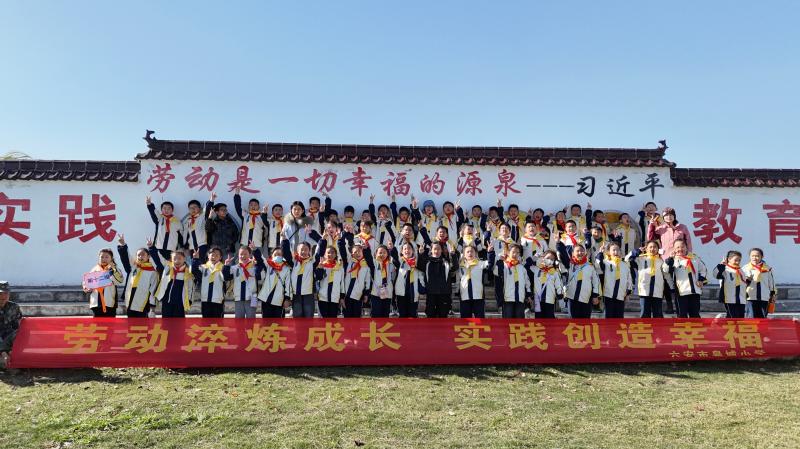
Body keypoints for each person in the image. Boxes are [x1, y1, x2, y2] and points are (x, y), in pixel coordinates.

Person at [117, 234, 160, 318]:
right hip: (130, 298)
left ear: (148, 256)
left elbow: (153, 290)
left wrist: (152, 308)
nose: (140, 256)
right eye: (138, 255)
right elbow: (126, 257)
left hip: (143, 301)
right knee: (130, 322)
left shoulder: (152, 271)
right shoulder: (134, 266)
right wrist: (123, 244)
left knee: (142, 323)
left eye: (143, 254)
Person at [665, 239, 708, 318]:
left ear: (686, 247)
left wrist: (701, 279)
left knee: (695, 314)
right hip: (681, 292)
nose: (680, 249)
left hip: (694, 291)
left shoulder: (694, 257)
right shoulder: (672, 260)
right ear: (674, 249)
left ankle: (695, 326)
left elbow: (703, 269)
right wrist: (670, 259)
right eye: (677, 247)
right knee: (682, 316)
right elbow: (666, 271)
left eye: (682, 246)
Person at [626, 240, 668, 318]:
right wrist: (637, 251)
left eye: (655, 247)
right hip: (644, 291)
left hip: (657, 291)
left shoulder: (661, 260)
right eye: (650, 247)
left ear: (658, 249)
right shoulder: (640, 259)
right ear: (646, 248)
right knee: (645, 315)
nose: (652, 249)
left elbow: (666, 272)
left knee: (658, 315)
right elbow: (627, 259)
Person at [150, 246, 194, 318]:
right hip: (167, 302)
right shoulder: (167, 267)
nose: (177, 261)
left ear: (184, 259)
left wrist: (189, 300)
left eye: (179, 258)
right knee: (166, 322)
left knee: (178, 322)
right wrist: (151, 248)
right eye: (174, 259)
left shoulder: (188, 273)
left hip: (180, 303)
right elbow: (158, 258)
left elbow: (190, 288)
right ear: (171, 260)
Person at [594, 242, 633, 319]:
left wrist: (628, 291)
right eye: (613, 250)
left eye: (618, 250)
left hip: (621, 294)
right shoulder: (606, 262)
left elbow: (629, 279)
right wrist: (600, 253)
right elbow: (598, 266)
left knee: (619, 317)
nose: (616, 252)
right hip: (608, 294)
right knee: (609, 317)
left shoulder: (625, 264)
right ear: (608, 252)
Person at [493, 244, 532, 318]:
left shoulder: (522, 267)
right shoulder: (503, 265)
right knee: (508, 321)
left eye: (517, 252)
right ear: (508, 252)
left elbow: (527, 282)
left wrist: (528, 295)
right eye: (513, 252)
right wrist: (500, 261)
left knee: (519, 321)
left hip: (520, 298)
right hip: (507, 299)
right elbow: (497, 273)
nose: (515, 254)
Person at [83, 248, 124, 317]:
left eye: (106, 257)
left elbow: (120, 281)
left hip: (109, 303)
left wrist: (112, 271)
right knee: (97, 323)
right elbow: (86, 282)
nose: (104, 259)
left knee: (110, 323)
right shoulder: (95, 269)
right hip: (96, 303)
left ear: (111, 258)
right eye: (102, 257)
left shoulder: (114, 269)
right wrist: (87, 288)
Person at [225, 243, 262, 319]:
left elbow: (260, 262)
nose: (243, 256)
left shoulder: (254, 267)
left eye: (245, 254)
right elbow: (226, 277)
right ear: (238, 255)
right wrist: (226, 266)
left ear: (250, 255)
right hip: (238, 298)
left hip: (253, 297)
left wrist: (255, 250)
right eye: (241, 254)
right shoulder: (234, 268)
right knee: (239, 319)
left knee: (251, 318)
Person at [457, 245, 494, 318]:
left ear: (476, 253)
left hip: (478, 296)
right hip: (464, 296)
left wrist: (490, 253)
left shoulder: (480, 263)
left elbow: (490, 264)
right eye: (467, 252)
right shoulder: (460, 265)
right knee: (465, 320)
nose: (470, 253)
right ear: (464, 254)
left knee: (480, 319)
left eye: (472, 251)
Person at [563, 245, 601, 319]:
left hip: (586, 299)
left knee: (585, 322)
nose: (580, 253)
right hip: (572, 298)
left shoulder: (590, 266)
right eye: (577, 251)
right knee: (573, 322)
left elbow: (596, 282)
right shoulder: (569, 265)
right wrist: (559, 243)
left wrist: (595, 296)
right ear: (573, 253)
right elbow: (562, 254)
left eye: (582, 251)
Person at [255, 246, 291, 318]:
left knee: (278, 323)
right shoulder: (268, 265)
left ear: (283, 256)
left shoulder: (286, 269)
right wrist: (255, 250)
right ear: (272, 256)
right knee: (266, 323)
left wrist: (287, 299)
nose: (277, 256)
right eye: (275, 254)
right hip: (266, 300)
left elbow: (288, 285)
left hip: (279, 301)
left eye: (279, 254)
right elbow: (260, 258)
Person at [392, 242, 426, 318]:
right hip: (401, 294)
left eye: (409, 248)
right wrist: (391, 248)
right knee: (402, 316)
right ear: (402, 251)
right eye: (405, 249)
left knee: (412, 316)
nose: (407, 250)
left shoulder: (416, 262)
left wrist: (421, 254)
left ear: (413, 251)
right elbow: (394, 256)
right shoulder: (400, 262)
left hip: (413, 293)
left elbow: (422, 270)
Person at [192, 247, 227, 318]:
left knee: (218, 322)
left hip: (218, 300)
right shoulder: (203, 267)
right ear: (208, 256)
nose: (214, 257)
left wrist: (226, 267)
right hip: (205, 299)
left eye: (217, 255)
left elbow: (226, 278)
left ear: (220, 257)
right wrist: (195, 259)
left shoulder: (223, 268)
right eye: (212, 255)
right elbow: (195, 271)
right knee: (206, 321)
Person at [742, 248, 777, 318]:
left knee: (762, 319)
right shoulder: (745, 268)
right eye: (752, 256)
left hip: (764, 297)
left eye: (757, 256)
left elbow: (772, 283)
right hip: (749, 297)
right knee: (750, 318)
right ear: (749, 256)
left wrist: (773, 295)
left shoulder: (768, 269)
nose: (754, 258)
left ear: (762, 256)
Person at [146, 196, 183, 261]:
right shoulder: (160, 218)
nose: (166, 210)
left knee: (172, 264)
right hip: (159, 247)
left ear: (172, 210)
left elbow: (181, 235)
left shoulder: (177, 221)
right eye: (164, 208)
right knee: (160, 263)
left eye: (169, 208)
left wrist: (183, 246)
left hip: (171, 248)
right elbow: (154, 213)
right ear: (161, 210)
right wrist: (150, 205)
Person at [713, 250, 747, 319]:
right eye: (735, 260)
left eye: (739, 260)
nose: (737, 262)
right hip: (730, 298)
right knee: (732, 316)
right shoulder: (725, 269)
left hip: (741, 299)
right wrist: (721, 265)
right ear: (729, 259)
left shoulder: (740, 270)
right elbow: (716, 275)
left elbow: (744, 283)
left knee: (740, 317)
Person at [531, 250, 564, 319]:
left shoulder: (555, 272)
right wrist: (535, 257)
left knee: (549, 318)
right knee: (538, 319)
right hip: (538, 300)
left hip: (549, 299)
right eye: (548, 258)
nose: (550, 260)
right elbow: (526, 265)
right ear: (543, 258)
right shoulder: (536, 269)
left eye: (552, 259)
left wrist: (560, 296)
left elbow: (558, 285)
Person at [182, 194, 214, 262]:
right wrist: (185, 247)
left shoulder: (202, 217)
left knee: (202, 264)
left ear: (199, 208)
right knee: (194, 264)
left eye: (195, 207)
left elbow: (207, 209)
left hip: (202, 245)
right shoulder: (187, 221)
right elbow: (186, 235)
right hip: (192, 247)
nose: (193, 209)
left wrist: (211, 200)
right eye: (191, 208)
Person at [0, 281, 22, 369]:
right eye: (0, 294)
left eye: (6, 293)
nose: (3, 296)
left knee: (19, 334)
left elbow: (17, 326)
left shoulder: (14, 307)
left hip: (8, 337)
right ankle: (4, 354)